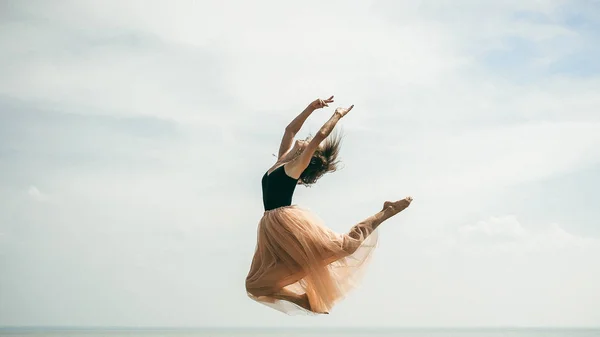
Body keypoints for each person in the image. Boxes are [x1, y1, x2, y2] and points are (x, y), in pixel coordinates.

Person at [245, 95, 413, 315]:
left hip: (286, 224)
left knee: (346, 247)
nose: (305, 140)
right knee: (254, 286)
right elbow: (289, 131)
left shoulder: (294, 167)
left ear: (308, 155)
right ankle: (301, 299)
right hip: (271, 227)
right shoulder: (282, 160)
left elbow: (320, 135)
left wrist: (337, 115)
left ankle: (386, 211)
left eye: (310, 145)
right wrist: (311, 107)